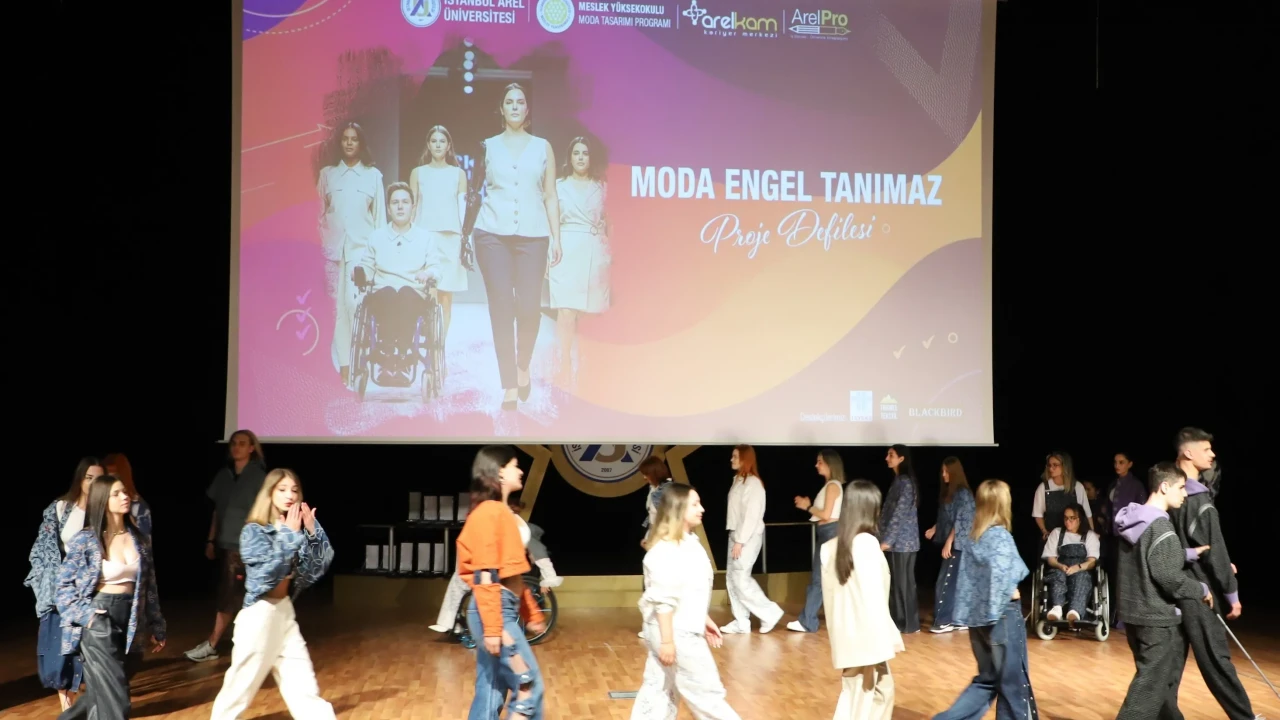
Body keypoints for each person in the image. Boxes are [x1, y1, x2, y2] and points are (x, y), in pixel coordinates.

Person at [465, 83, 563, 410]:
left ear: (527, 109)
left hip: (534, 236)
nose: (515, 106)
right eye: (510, 102)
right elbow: (474, 192)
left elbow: (550, 195)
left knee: (529, 308)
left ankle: (523, 366)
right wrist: (465, 235)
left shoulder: (543, 147)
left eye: (521, 102)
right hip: (492, 234)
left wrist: (556, 238)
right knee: (502, 308)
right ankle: (509, 383)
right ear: (502, 109)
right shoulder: (488, 147)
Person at [209, 469, 336, 719]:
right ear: (269, 493)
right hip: (260, 614)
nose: (290, 495)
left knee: (302, 681)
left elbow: (315, 570)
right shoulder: (254, 531)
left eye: (294, 490)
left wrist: (313, 532)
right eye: (282, 489)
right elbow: (265, 577)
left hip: (284, 611)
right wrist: (289, 536)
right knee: (241, 685)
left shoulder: (292, 529)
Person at [55, 474, 166, 720]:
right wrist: (87, 616)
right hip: (99, 617)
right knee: (117, 696)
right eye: (116, 493)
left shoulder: (139, 539)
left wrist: (157, 623)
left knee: (103, 690)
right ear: (102, 500)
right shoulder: (86, 540)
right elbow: (62, 587)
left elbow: (150, 586)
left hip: (131, 617)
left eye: (124, 491)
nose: (124, 497)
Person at [631, 483, 740, 720]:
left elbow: (688, 590)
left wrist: (703, 619)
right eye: (695, 504)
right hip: (676, 633)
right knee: (706, 695)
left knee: (659, 691)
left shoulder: (689, 543)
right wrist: (668, 642)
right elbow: (663, 600)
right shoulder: (665, 551)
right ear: (678, 509)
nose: (702, 509)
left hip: (678, 628)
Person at [1113, 462, 1213, 720]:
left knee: (1160, 683)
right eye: (1181, 487)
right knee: (1149, 687)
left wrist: (1187, 553)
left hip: (1133, 614)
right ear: (1164, 486)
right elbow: (1169, 578)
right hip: (1155, 618)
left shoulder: (1133, 520)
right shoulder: (1160, 527)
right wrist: (1201, 588)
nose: (1185, 493)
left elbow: (1148, 556)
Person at [1169, 428, 1256, 720]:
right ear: (1188, 452)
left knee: (1169, 664)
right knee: (1216, 660)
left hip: (1171, 589)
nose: (1212, 454)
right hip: (1198, 592)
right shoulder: (1200, 502)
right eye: (1206, 449)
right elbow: (1215, 552)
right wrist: (1232, 595)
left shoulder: (1167, 492)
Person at [934, 480, 1038, 720]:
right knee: (1013, 683)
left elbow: (968, 580)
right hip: (1002, 617)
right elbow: (1004, 576)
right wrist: (1011, 591)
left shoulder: (973, 537)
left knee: (987, 680)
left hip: (978, 620)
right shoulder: (1000, 536)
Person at [457, 446, 547, 718]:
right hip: (494, 610)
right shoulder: (489, 513)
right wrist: (494, 627)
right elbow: (485, 572)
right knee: (528, 687)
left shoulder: (501, 512)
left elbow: (512, 572)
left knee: (491, 688)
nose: (520, 471)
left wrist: (530, 611)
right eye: (514, 465)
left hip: (499, 608)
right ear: (498, 472)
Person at [25, 457, 104, 710]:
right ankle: (67, 709)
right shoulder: (61, 508)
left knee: (91, 652)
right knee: (60, 653)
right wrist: (46, 584)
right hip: (63, 589)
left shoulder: (105, 511)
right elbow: (42, 549)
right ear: (80, 479)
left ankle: (94, 705)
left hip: (94, 588)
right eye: (89, 478)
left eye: (98, 479)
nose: (92, 483)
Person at [821, 480, 903, 719]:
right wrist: (889, 634)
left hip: (847, 633)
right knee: (858, 699)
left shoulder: (831, 548)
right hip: (865, 636)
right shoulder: (866, 544)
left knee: (882, 690)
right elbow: (873, 596)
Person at [186, 430, 268, 663]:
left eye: (242, 443)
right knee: (233, 594)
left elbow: (266, 512)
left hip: (246, 546)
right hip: (225, 543)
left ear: (251, 448)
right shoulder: (224, 475)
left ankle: (213, 643)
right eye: (233, 443)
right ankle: (247, 643)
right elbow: (218, 511)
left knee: (230, 594)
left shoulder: (259, 477)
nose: (236, 447)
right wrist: (211, 540)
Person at [354, 181, 444, 385]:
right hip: (383, 294)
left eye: (405, 202)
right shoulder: (376, 237)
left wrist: (428, 273)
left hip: (413, 295)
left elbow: (436, 267)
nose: (400, 207)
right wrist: (360, 272)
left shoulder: (425, 238)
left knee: (405, 293)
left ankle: (403, 355)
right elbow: (367, 265)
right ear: (388, 208)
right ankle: (386, 353)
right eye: (395, 203)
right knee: (388, 293)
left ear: (413, 207)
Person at [317, 121, 386, 385]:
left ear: (361, 143)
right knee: (336, 309)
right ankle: (345, 368)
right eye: (345, 138)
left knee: (354, 305)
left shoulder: (373, 176)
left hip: (361, 251)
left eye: (354, 139)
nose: (349, 143)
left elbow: (379, 220)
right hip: (332, 250)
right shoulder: (327, 175)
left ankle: (358, 362)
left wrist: (378, 258)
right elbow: (317, 214)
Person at [721, 445, 784, 634]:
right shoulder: (738, 480)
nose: (731, 459)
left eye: (735, 456)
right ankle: (741, 621)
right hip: (735, 534)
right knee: (732, 578)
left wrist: (740, 541)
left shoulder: (753, 484)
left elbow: (752, 515)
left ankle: (770, 613)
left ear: (744, 458)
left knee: (740, 578)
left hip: (747, 537)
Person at [789, 448, 846, 633]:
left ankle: (808, 621)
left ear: (830, 464)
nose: (816, 465)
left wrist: (807, 506)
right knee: (825, 578)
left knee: (818, 579)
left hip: (830, 532)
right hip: (827, 533)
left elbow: (826, 514)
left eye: (820, 461)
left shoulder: (832, 486)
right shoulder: (830, 485)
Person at [925, 456, 975, 633]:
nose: (944, 474)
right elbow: (947, 517)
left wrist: (949, 541)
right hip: (953, 541)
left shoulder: (963, 494)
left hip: (959, 544)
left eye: (947, 471)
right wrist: (935, 528)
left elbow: (962, 520)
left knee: (946, 581)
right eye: (943, 471)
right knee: (955, 581)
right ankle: (958, 619)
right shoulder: (950, 493)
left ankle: (944, 620)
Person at [879, 444, 920, 634]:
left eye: (891, 455)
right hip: (898, 543)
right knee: (897, 584)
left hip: (902, 543)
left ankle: (908, 624)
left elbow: (899, 513)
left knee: (903, 584)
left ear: (901, 458)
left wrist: (887, 540)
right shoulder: (899, 481)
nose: (887, 458)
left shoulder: (905, 482)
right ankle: (898, 621)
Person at [1041, 504, 1100, 624]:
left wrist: (1078, 567)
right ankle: (1057, 608)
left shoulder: (1089, 536)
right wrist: (1060, 566)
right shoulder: (1057, 533)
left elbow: (1092, 562)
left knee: (1081, 577)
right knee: (1057, 575)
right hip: (1060, 567)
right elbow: (1051, 559)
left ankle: (1075, 611)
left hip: (1081, 569)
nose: (1068, 521)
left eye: (1072, 518)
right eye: (1066, 518)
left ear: (1080, 519)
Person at [1032, 451, 1092, 540]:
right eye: (1049, 465)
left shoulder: (1077, 486)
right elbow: (1038, 514)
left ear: (1065, 466)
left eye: (1055, 465)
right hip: (1052, 538)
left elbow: (1087, 513)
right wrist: (1044, 531)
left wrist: (1092, 533)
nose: (1051, 468)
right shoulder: (1043, 488)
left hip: (1075, 538)